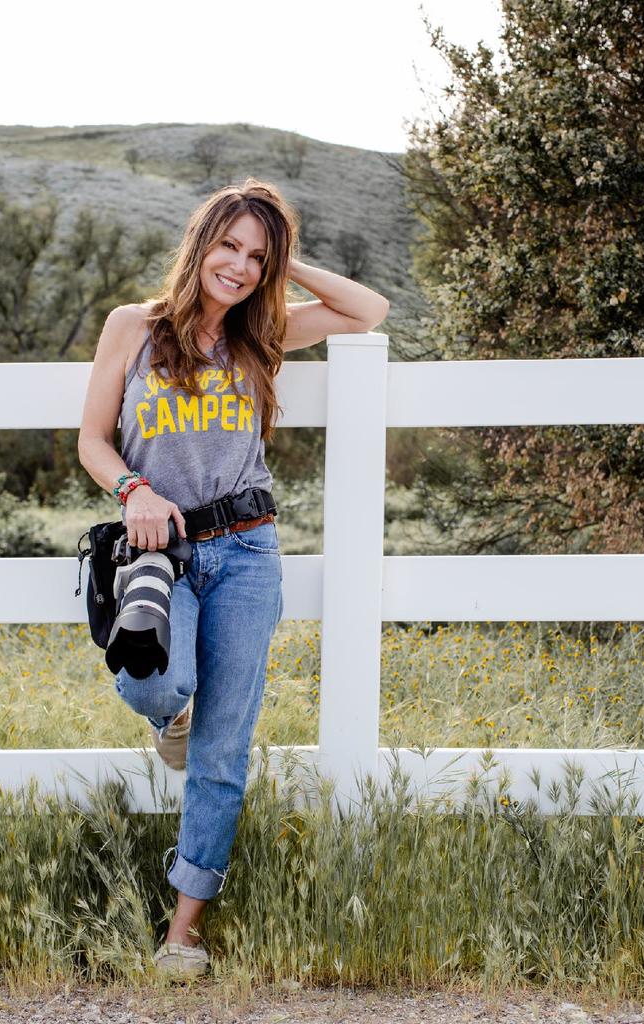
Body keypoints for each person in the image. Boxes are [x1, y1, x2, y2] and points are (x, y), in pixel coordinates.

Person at [77, 177, 390, 978]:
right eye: (229, 246)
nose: (240, 267)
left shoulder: (264, 332)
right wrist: (133, 490)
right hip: (162, 551)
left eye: (257, 257)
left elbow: (367, 310)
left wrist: (288, 263)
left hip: (249, 552)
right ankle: (168, 720)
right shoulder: (133, 327)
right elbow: (92, 441)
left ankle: (182, 932)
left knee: (222, 752)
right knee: (158, 683)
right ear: (199, 243)